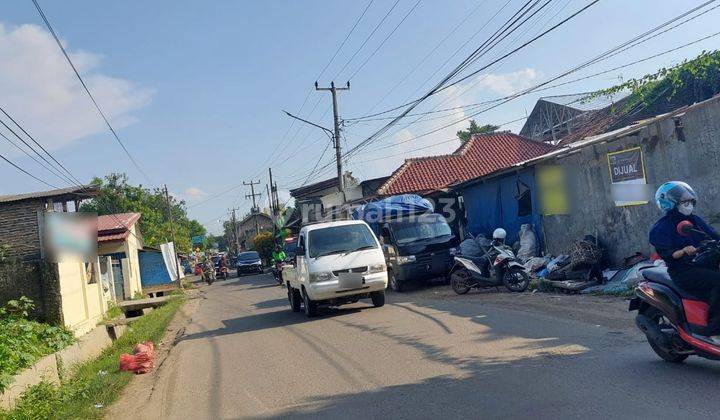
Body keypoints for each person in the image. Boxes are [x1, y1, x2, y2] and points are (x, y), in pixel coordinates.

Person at [649, 181, 720, 338]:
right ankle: (715, 331)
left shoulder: (695, 221)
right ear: (670, 203)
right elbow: (668, 253)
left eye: (690, 201)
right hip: (683, 271)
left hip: (705, 263)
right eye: (684, 202)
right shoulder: (660, 228)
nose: (688, 205)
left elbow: (714, 236)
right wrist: (682, 251)